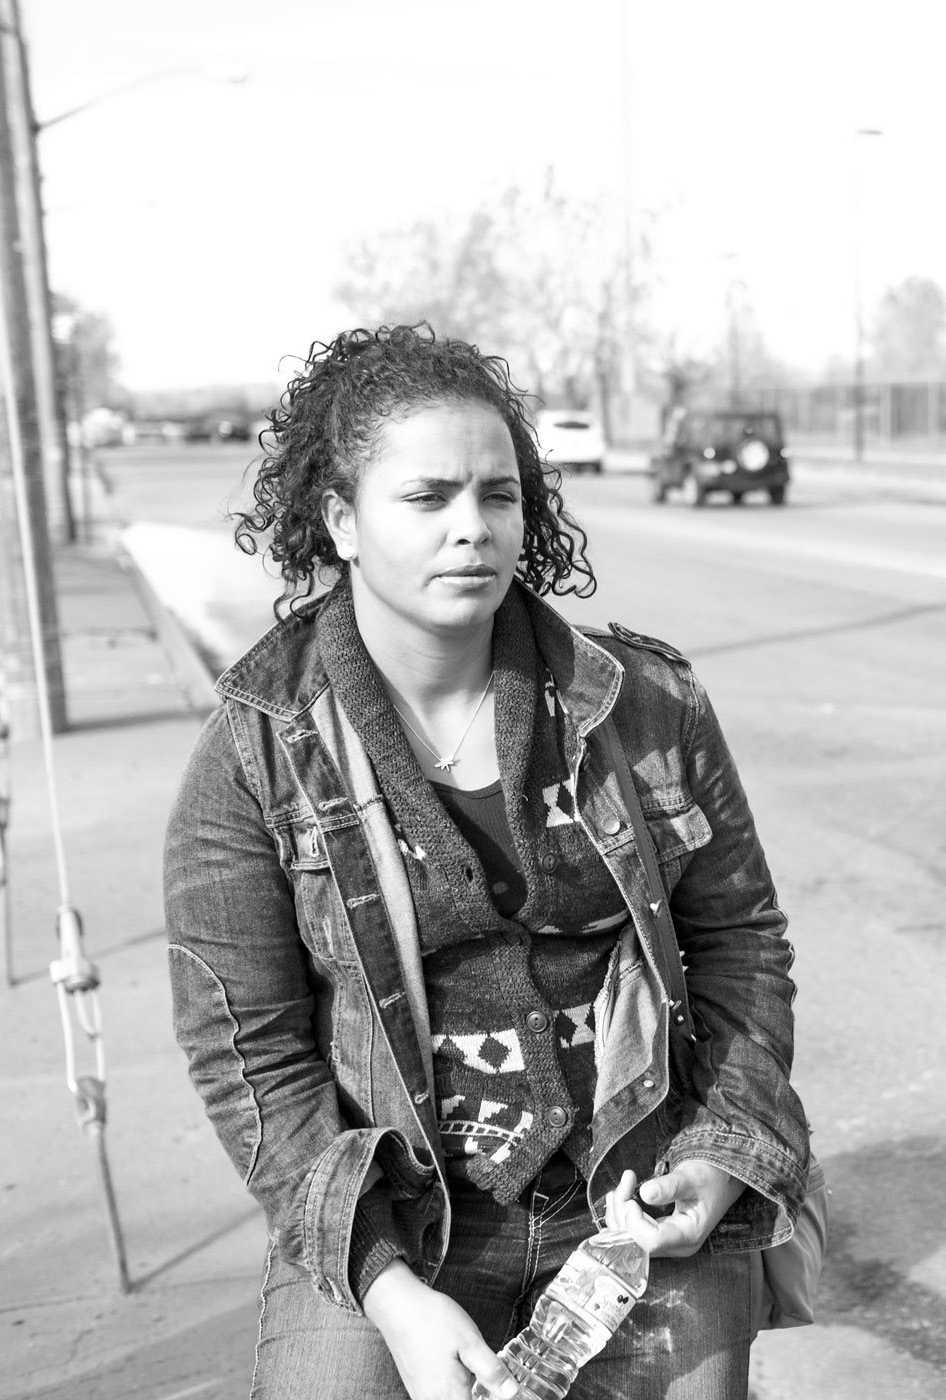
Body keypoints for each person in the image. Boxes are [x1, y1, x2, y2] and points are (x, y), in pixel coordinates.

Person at [164, 324, 809, 1400]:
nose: (472, 529)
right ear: (342, 521)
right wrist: (386, 1288)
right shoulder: (255, 752)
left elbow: (740, 942)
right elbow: (247, 1053)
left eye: (497, 495)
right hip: (397, 1221)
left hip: (632, 1196)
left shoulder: (645, 705)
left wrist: (717, 1153)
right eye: (427, 499)